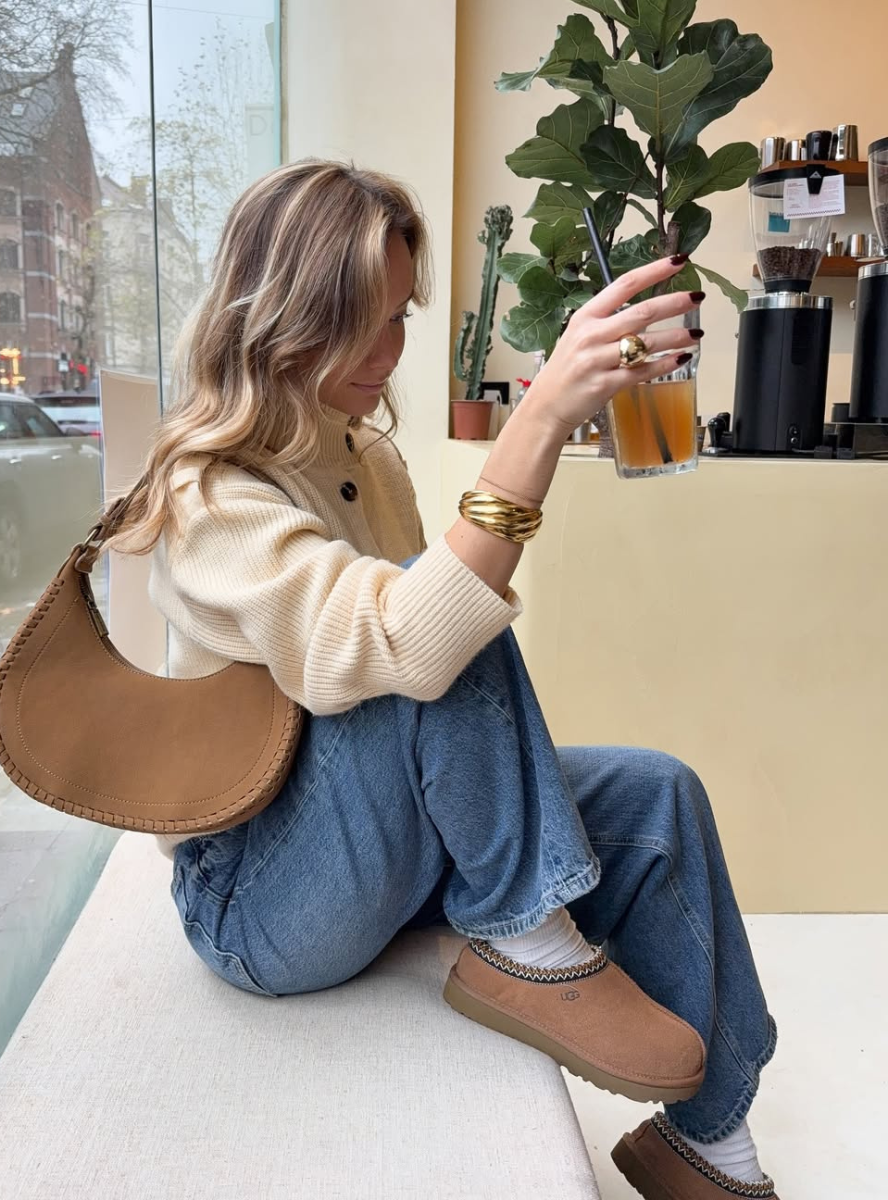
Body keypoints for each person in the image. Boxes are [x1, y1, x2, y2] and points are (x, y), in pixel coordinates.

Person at [107, 160, 778, 1200]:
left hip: (371, 846)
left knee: (659, 795)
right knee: (439, 621)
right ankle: (529, 944)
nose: (390, 352)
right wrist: (538, 420)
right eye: (361, 322)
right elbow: (406, 645)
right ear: (284, 316)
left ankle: (711, 1150)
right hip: (256, 897)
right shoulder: (208, 496)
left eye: (398, 317)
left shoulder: (364, 458)